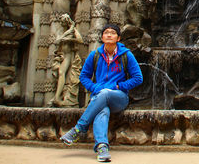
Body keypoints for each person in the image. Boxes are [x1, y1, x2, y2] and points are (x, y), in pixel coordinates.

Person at [60, 24, 143, 162]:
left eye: (112, 33)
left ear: (118, 38)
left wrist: (119, 85)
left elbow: (138, 78)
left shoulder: (126, 55)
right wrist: (94, 88)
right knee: (102, 111)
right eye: (106, 33)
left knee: (104, 94)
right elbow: (83, 76)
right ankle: (102, 148)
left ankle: (78, 129)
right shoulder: (95, 55)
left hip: (119, 97)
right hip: (99, 96)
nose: (109, 35)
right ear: (102, 37)